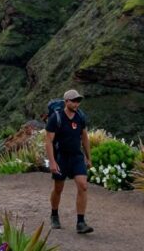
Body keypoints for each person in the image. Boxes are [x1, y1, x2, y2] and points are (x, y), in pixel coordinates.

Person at [45, 89, 93, 234]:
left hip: (77, 157)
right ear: (66, 102)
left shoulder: (80, 117)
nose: (76, 103)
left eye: (78, 100)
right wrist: (52, 162)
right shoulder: (56, 118)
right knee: (58, 188)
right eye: (73, 101)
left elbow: (84, 137)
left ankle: (80, 222)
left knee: (83, 186)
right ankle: (54, 214)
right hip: (61, 158)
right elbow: (48, 141)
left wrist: (88, 157)